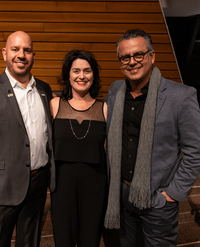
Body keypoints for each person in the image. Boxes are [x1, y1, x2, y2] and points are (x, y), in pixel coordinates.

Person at [104, 29, 200, 246]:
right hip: (122, 196)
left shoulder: (181, 96)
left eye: (138, 55)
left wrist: (171, 195)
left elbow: (195, 152)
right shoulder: (115, 90)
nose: (132, 62)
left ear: (152, 56)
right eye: (125, 57)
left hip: (158, 200)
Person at [0, 31, 55, 247]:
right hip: (0, 189)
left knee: (29, 243)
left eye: (27, 50)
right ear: (5, 53)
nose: (21, 55)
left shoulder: (44, 90)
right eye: (15, 49)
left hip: (37, 185)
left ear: (34, 55)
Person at [50, 49, 108, 247]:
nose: (81, 76)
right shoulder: (55, 105)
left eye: (87, 71)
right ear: (68, 74)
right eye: (76, 71)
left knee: (90, 239)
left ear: (94, 75)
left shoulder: (105, 108)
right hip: (62, 184)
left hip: (95, 184)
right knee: (63, 239)